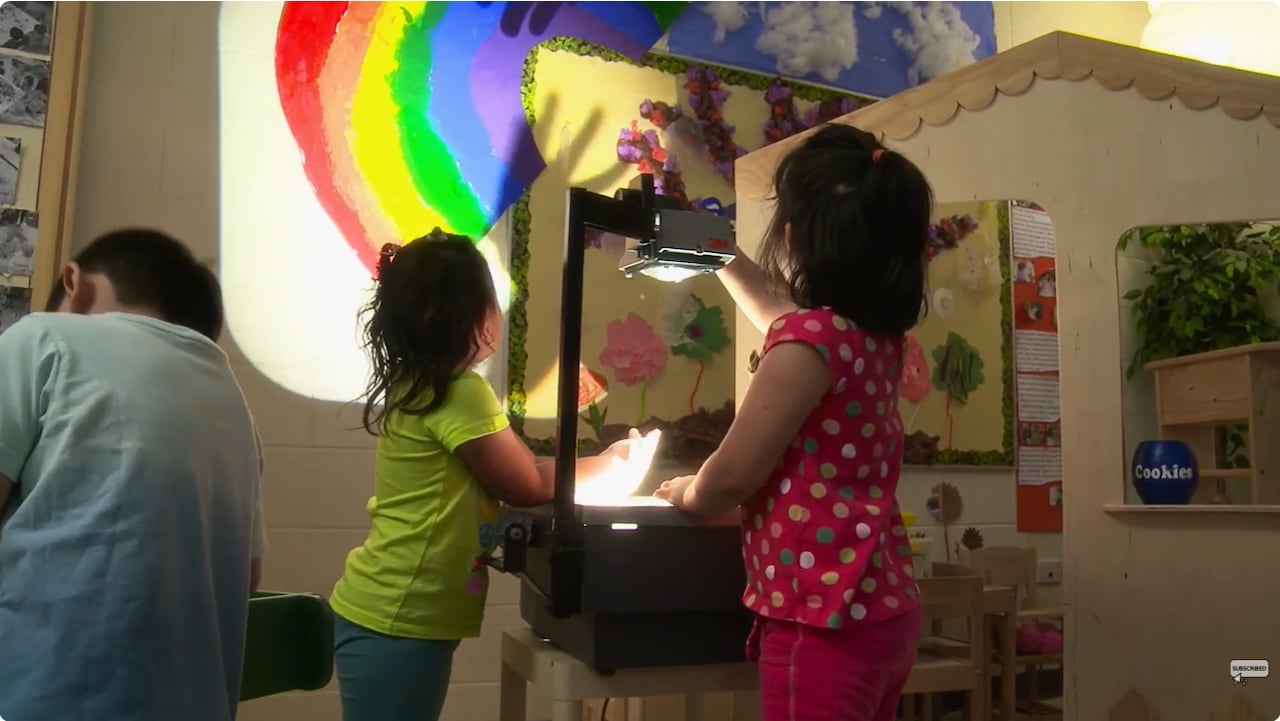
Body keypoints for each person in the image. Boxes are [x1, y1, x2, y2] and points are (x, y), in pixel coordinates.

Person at [655, 124, 933, 721]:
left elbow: (730, 477)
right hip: (883, 617)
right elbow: (780, 314)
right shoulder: (875, 343)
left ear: (792, 237)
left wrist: (687, 492)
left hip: (821, 623)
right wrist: (720, 251)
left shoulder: (811, 343)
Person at [329, 229, 658, 721]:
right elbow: (524, 484)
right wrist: (614, 465)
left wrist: (603, 461)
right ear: (471, 314)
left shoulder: (420, 386)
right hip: (399, 617)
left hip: (390, 613)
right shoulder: (458, 393)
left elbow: (522, 468)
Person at [0, 228, 265, 721]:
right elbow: (247, 580)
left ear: (73, 285)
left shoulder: (45, 336)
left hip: (42, 698)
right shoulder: (236, 406)